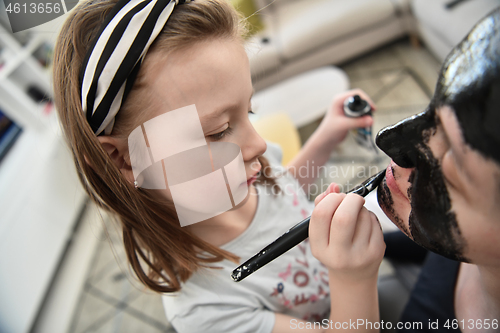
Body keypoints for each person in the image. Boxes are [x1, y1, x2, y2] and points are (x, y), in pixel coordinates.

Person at [53, 0, 385, 331]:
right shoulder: (206, 310)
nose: (257, 144)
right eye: (218, 131)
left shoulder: (242, 169)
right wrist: (354, 279)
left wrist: (326, 136)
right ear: (121, 159)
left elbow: (283, 193)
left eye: (250, 111)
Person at [373, 8, 500, 332]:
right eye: (433, 109)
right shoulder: (467, 244)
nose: (388, 140)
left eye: (454, 161)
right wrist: (380, 243)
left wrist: (351, 280)